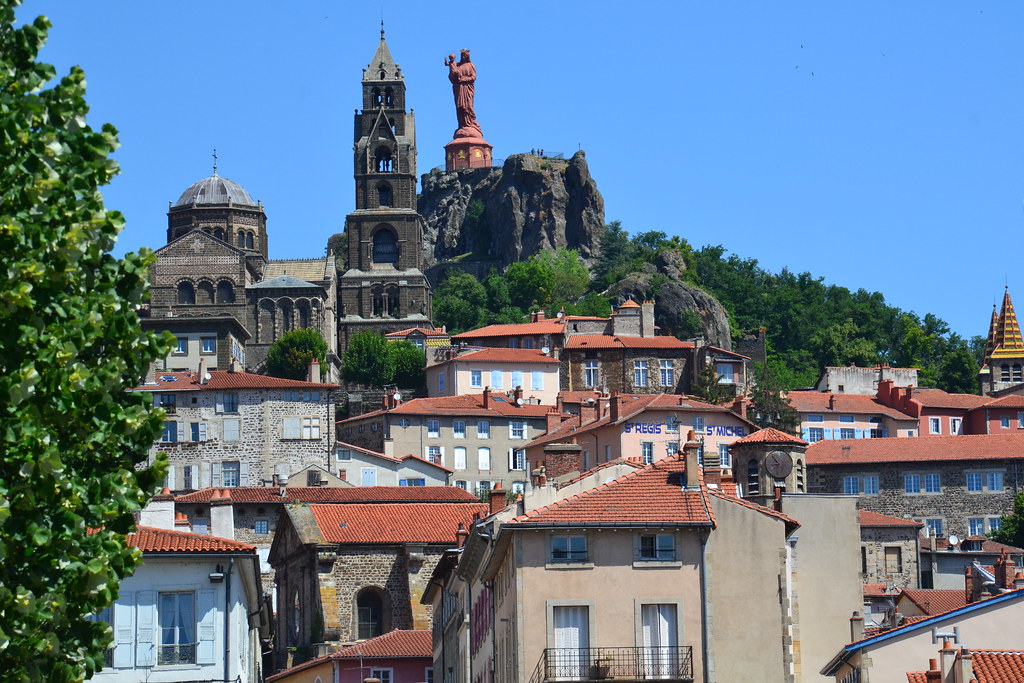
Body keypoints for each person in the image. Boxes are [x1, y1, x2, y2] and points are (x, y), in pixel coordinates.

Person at [445, 49, 481, 138]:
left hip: (467, 88)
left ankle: (471, 123)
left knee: (468, 106)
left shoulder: (471, 65)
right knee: (459, 107)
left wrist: (463, 79)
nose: (463, 57)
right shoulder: (457, 65)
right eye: (462, 56)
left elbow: (473, 77)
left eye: (464, 55)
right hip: (459, 88)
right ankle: (462, 124)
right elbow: (452, 75)